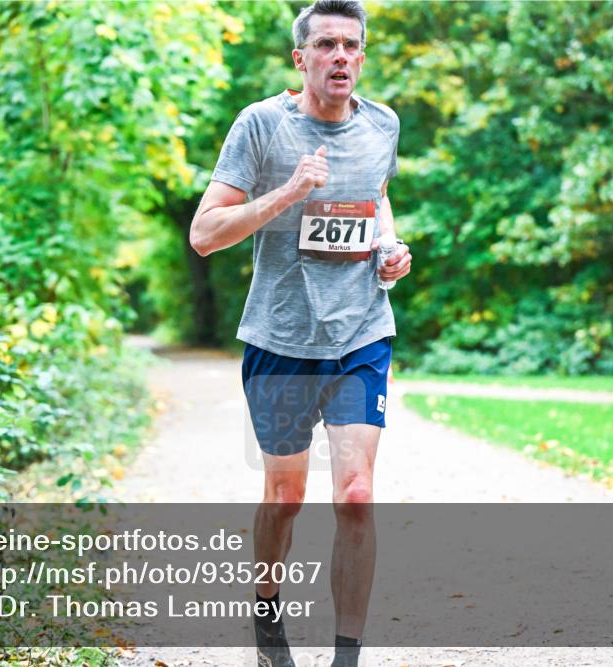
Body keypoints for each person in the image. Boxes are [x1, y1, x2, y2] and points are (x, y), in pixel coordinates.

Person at [190, 1, 410, 664]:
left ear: (363, 57)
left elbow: (376, 195)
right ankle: (266, 619)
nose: (340, 56)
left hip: (362, 335)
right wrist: (286, 193)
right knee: (285, 500)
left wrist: (390, 249)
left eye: (352, 46)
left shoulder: (383, 125)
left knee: (356, 495)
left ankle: (347, 653)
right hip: (281, 340)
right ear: (301, 58)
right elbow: (204, 235)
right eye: (326, 46)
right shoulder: (261, 126)